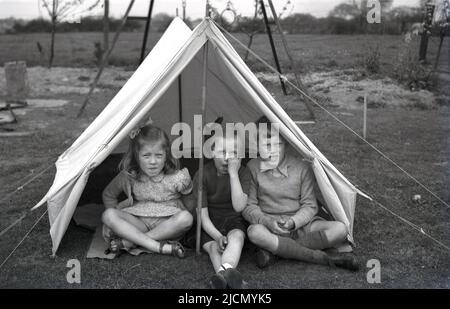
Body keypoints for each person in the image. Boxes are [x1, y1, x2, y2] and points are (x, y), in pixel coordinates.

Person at [243, 116, 359, 271]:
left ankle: (275, 253)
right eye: (266, 145)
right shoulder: (252, 167)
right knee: (254, 232)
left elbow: (310, 205)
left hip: (301, 226)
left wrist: (293, 222)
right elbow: (248, 206)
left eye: (277, 145)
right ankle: (324, 258)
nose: (271, 151)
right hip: (269, 226)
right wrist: (267, 222)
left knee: (340, 229)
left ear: (286, 144)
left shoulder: (301, 167)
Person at [101, 124, 193, 258]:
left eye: (159, 155)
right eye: (146, 155)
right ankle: (158, 247)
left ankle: (132, 241)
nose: (153, 161)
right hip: (139, 223)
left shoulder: (177, 177)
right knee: (108, 215)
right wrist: (113, 224)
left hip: (167, 225)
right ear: (136, 156)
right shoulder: (130, 176)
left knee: (186, 218)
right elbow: (108, 194)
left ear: (166, 155)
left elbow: (190, 202)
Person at [185, 134, 250, 288]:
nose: (228, 158)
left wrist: (234, 174)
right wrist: (218, 236)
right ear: (212, 153)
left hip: (233, 219)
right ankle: (232, 281)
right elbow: (203, 215)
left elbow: (239, 207)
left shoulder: (243, 173)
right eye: (222, 152)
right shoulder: (202, 174)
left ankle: (222, 276)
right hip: (209, 222)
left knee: (237, 237)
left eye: (234, 153)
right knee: (215, 247)